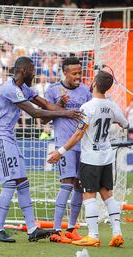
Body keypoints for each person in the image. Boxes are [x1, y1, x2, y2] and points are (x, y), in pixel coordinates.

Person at [0, 56, 82, 243]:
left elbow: (45, 105)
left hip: (9, 138)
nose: (34, 73)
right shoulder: (9, 89)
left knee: (22, 182)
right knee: (10, 183)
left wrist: (62, 107)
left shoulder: (24, 89)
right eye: (32, 70)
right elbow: (35, 112)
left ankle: (32, 229)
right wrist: (64, 113)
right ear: (23, 71)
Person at [47, 70, 129, 247]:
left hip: (91, 158)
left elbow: (77, 135)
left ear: (94, 84)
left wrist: (59, 152)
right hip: (106, 157)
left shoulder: (88, 107)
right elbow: (125, 124)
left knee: (89, 196)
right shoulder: (112, 106)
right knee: (108, 195)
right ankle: (117, 233)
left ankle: (93, 235)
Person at [44, 57, 92, 243]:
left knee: (79, 186)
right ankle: (56, 230)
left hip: (83, 145)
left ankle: (71, 228)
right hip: (65, 146)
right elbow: (44, 118)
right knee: (67, 184)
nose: (78, 76)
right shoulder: (53, 91)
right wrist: (61, 106)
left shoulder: (85, 92)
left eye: (80, 73)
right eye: (74, 73)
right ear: (65, 73)